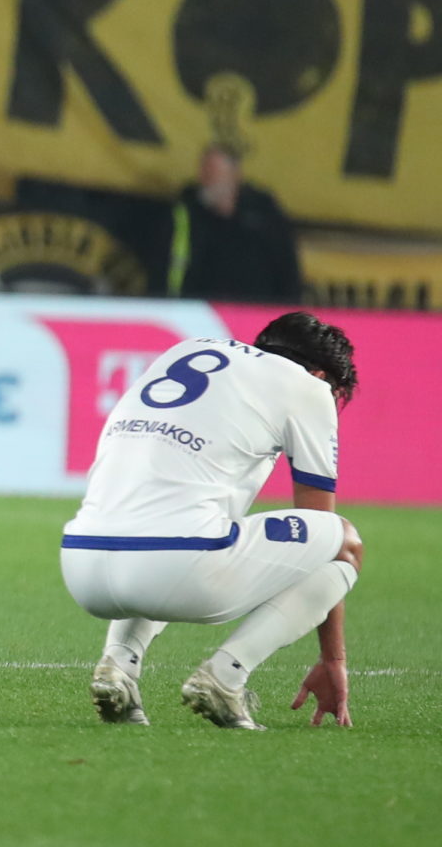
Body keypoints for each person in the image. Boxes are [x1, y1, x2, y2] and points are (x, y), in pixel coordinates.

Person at [59, 313, 362, 731]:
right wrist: (332, 659)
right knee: (345, 541)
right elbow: (319, 526)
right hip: (176, 569)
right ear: (321, 374)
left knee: (177, 517)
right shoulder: (308, 388)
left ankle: (118, 664)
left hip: (80, 566)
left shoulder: (187, 350)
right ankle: (226, 676)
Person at [169, 144, 303, 302]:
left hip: (255, 307)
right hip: (201, 307)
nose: (206, 178)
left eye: (213, 171)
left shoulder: (263, 212)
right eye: (204, 169)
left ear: (234, 175)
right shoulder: (187, 211)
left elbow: (286, 265)